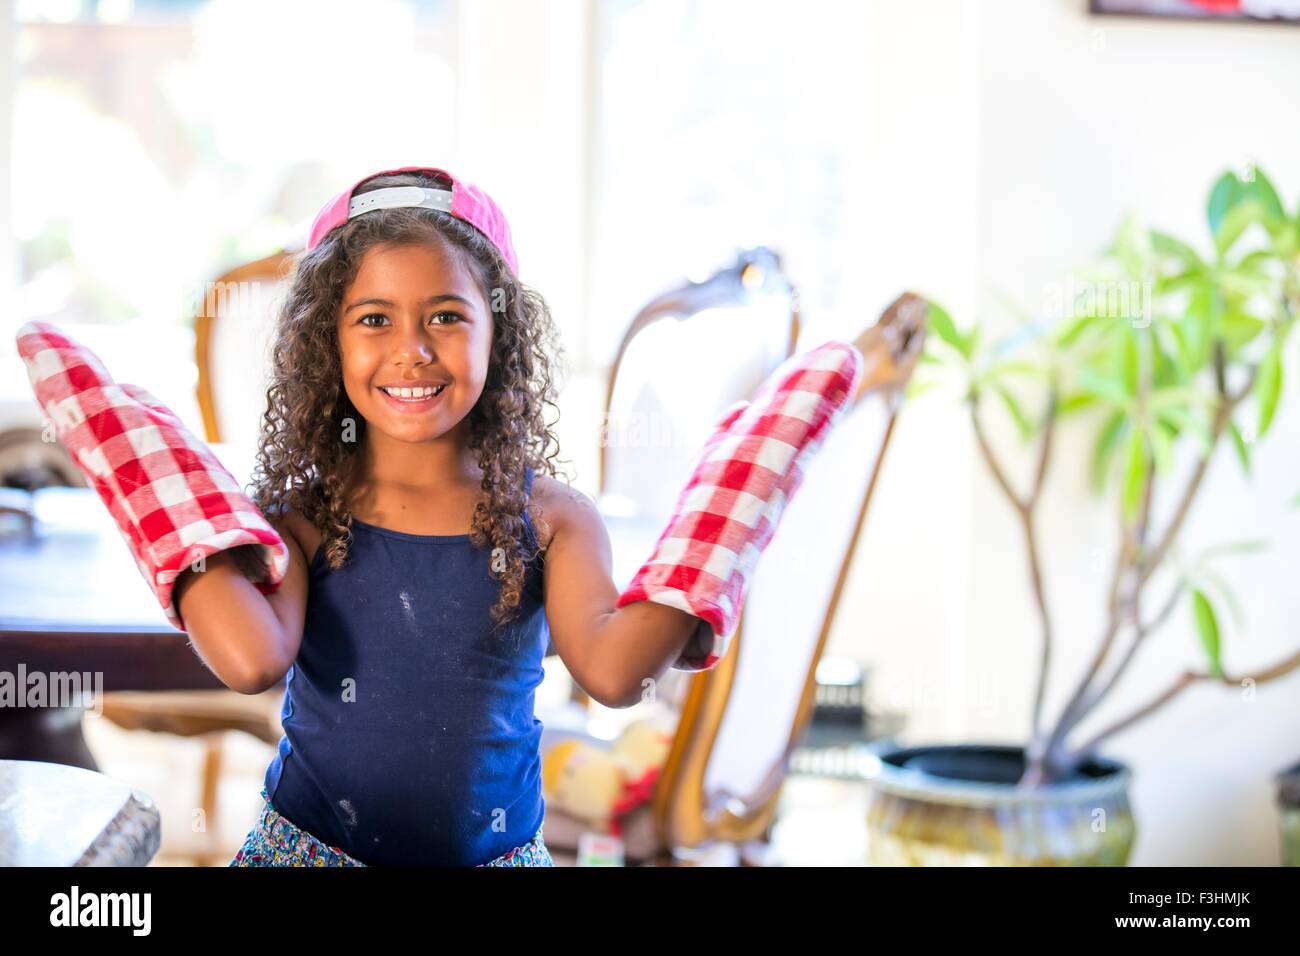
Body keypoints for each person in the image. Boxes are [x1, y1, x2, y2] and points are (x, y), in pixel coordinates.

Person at [147, 166, 915, 866]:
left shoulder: (553, 521)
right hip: (309, 855)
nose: (411, 350)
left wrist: (725, 515)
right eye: (374, 319)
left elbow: (614, 675)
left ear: (499, 332)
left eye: (445, 316)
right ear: (327, 341)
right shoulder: (303, 514)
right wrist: (157, 498)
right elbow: (250, 660)